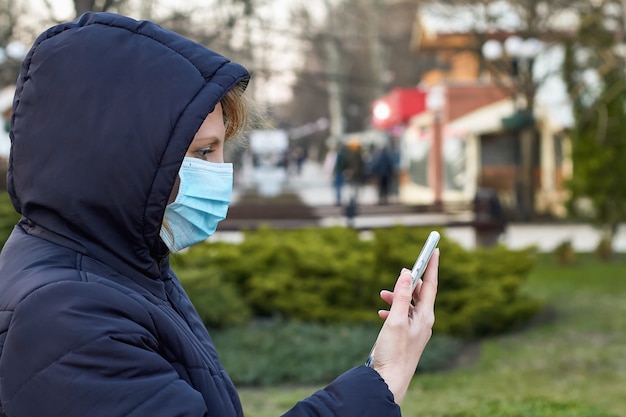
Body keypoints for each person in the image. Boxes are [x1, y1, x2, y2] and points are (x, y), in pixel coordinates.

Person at [0, 12, 439, 417]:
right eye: (202, 152)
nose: (219, 172)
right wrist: (386, 375)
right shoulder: (70, 321)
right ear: (121, 160)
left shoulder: (113, 262)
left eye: (221, 148)